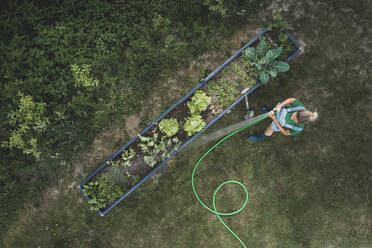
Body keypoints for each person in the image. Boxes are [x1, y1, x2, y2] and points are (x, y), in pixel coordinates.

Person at [249, 98, 318, 141]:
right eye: (293, 115)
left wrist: (274, 119)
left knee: (268, 132)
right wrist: (279, 106)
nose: (291, 117)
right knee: (273, 110)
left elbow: (285, 132)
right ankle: (269, 110)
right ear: (299, 111)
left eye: (293, 120)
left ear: (299, 123)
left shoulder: (298, 128)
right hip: (280, 110)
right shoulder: (299, 106)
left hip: (278, 123)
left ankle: (259, 137)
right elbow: (291, 100)